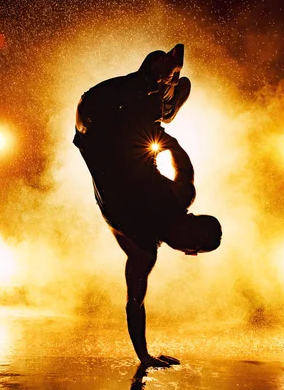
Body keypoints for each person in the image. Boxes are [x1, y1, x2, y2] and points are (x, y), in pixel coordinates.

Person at [73, 45, 222, 367]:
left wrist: (143, 356)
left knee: (148, 99)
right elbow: (186, 172)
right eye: (192, 221)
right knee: (149, 95)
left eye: (190, 231)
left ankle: (164, 96)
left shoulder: (142, 251)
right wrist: (169, 143)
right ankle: (162, 92)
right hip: (122, 116)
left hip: (93, 122)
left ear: (189, 251)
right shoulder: (181, 199)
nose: (185, 224)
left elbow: (134, 305)